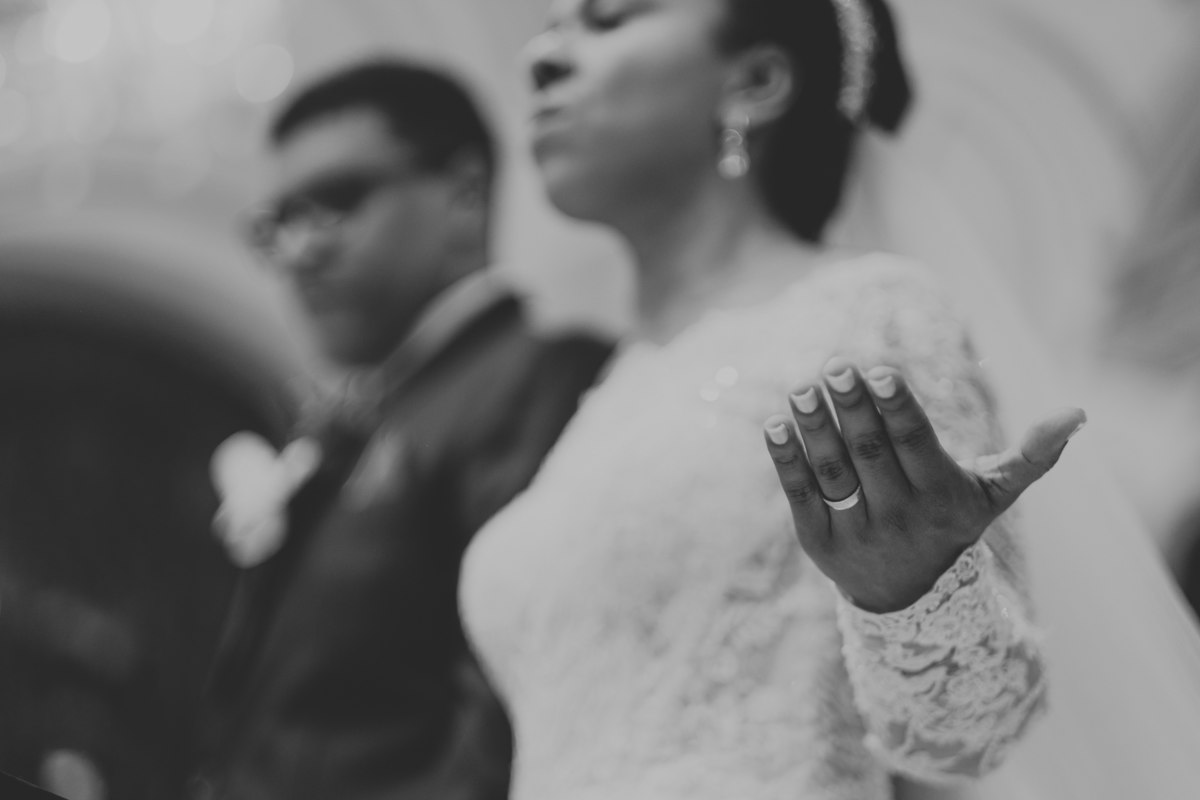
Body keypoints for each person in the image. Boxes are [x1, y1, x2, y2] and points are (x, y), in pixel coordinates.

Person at [456, 0, 1088, 798]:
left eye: (607, 18)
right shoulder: (609, 392)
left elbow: (972, 741)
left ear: (755, 81)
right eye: (549, 27)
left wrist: (914, 599)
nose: (540, 57)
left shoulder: (868, 317)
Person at [195, 61, 613, 800]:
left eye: (338, 200)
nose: (300, 250)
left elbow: (508, 713)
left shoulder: (534, 379)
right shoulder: (373, 414)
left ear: (464, 193)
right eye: (279, 222)